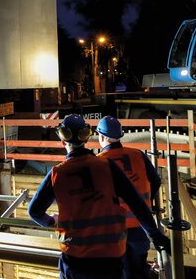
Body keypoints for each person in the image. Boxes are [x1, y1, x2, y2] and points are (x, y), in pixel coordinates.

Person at [27, 114, 170, 279]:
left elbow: (34, 211)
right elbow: (136, 203)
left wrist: (52, 221)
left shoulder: (57, 174)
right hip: (109, 257)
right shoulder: (106, 166)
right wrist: (156, 236)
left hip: (75, 260)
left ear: (63, 141)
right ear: (86, 138)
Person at [96, 115, 162, 279]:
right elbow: (155, 181)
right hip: (140, 226)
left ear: (102, 136)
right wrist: (145, 204)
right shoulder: (138, 155)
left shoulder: (98, 162)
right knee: (139, 269)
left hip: (113, 230)